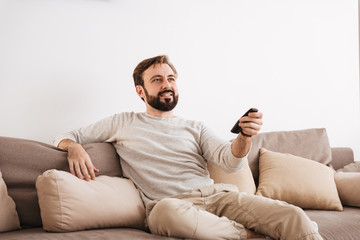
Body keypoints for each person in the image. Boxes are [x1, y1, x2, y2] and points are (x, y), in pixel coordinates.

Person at [54, 55, 323, 240]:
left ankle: (231, 231)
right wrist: (74, 147)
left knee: (293, 216)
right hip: (170, 205)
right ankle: (248, 235)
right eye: (157, 80)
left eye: (171, 78)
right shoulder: (123, 122)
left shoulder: (196, 127)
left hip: (218, 197)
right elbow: (67, 134)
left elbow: (231, 161)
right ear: (140, 91)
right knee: (166, 215)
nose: (166, 85)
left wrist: (245, 136)